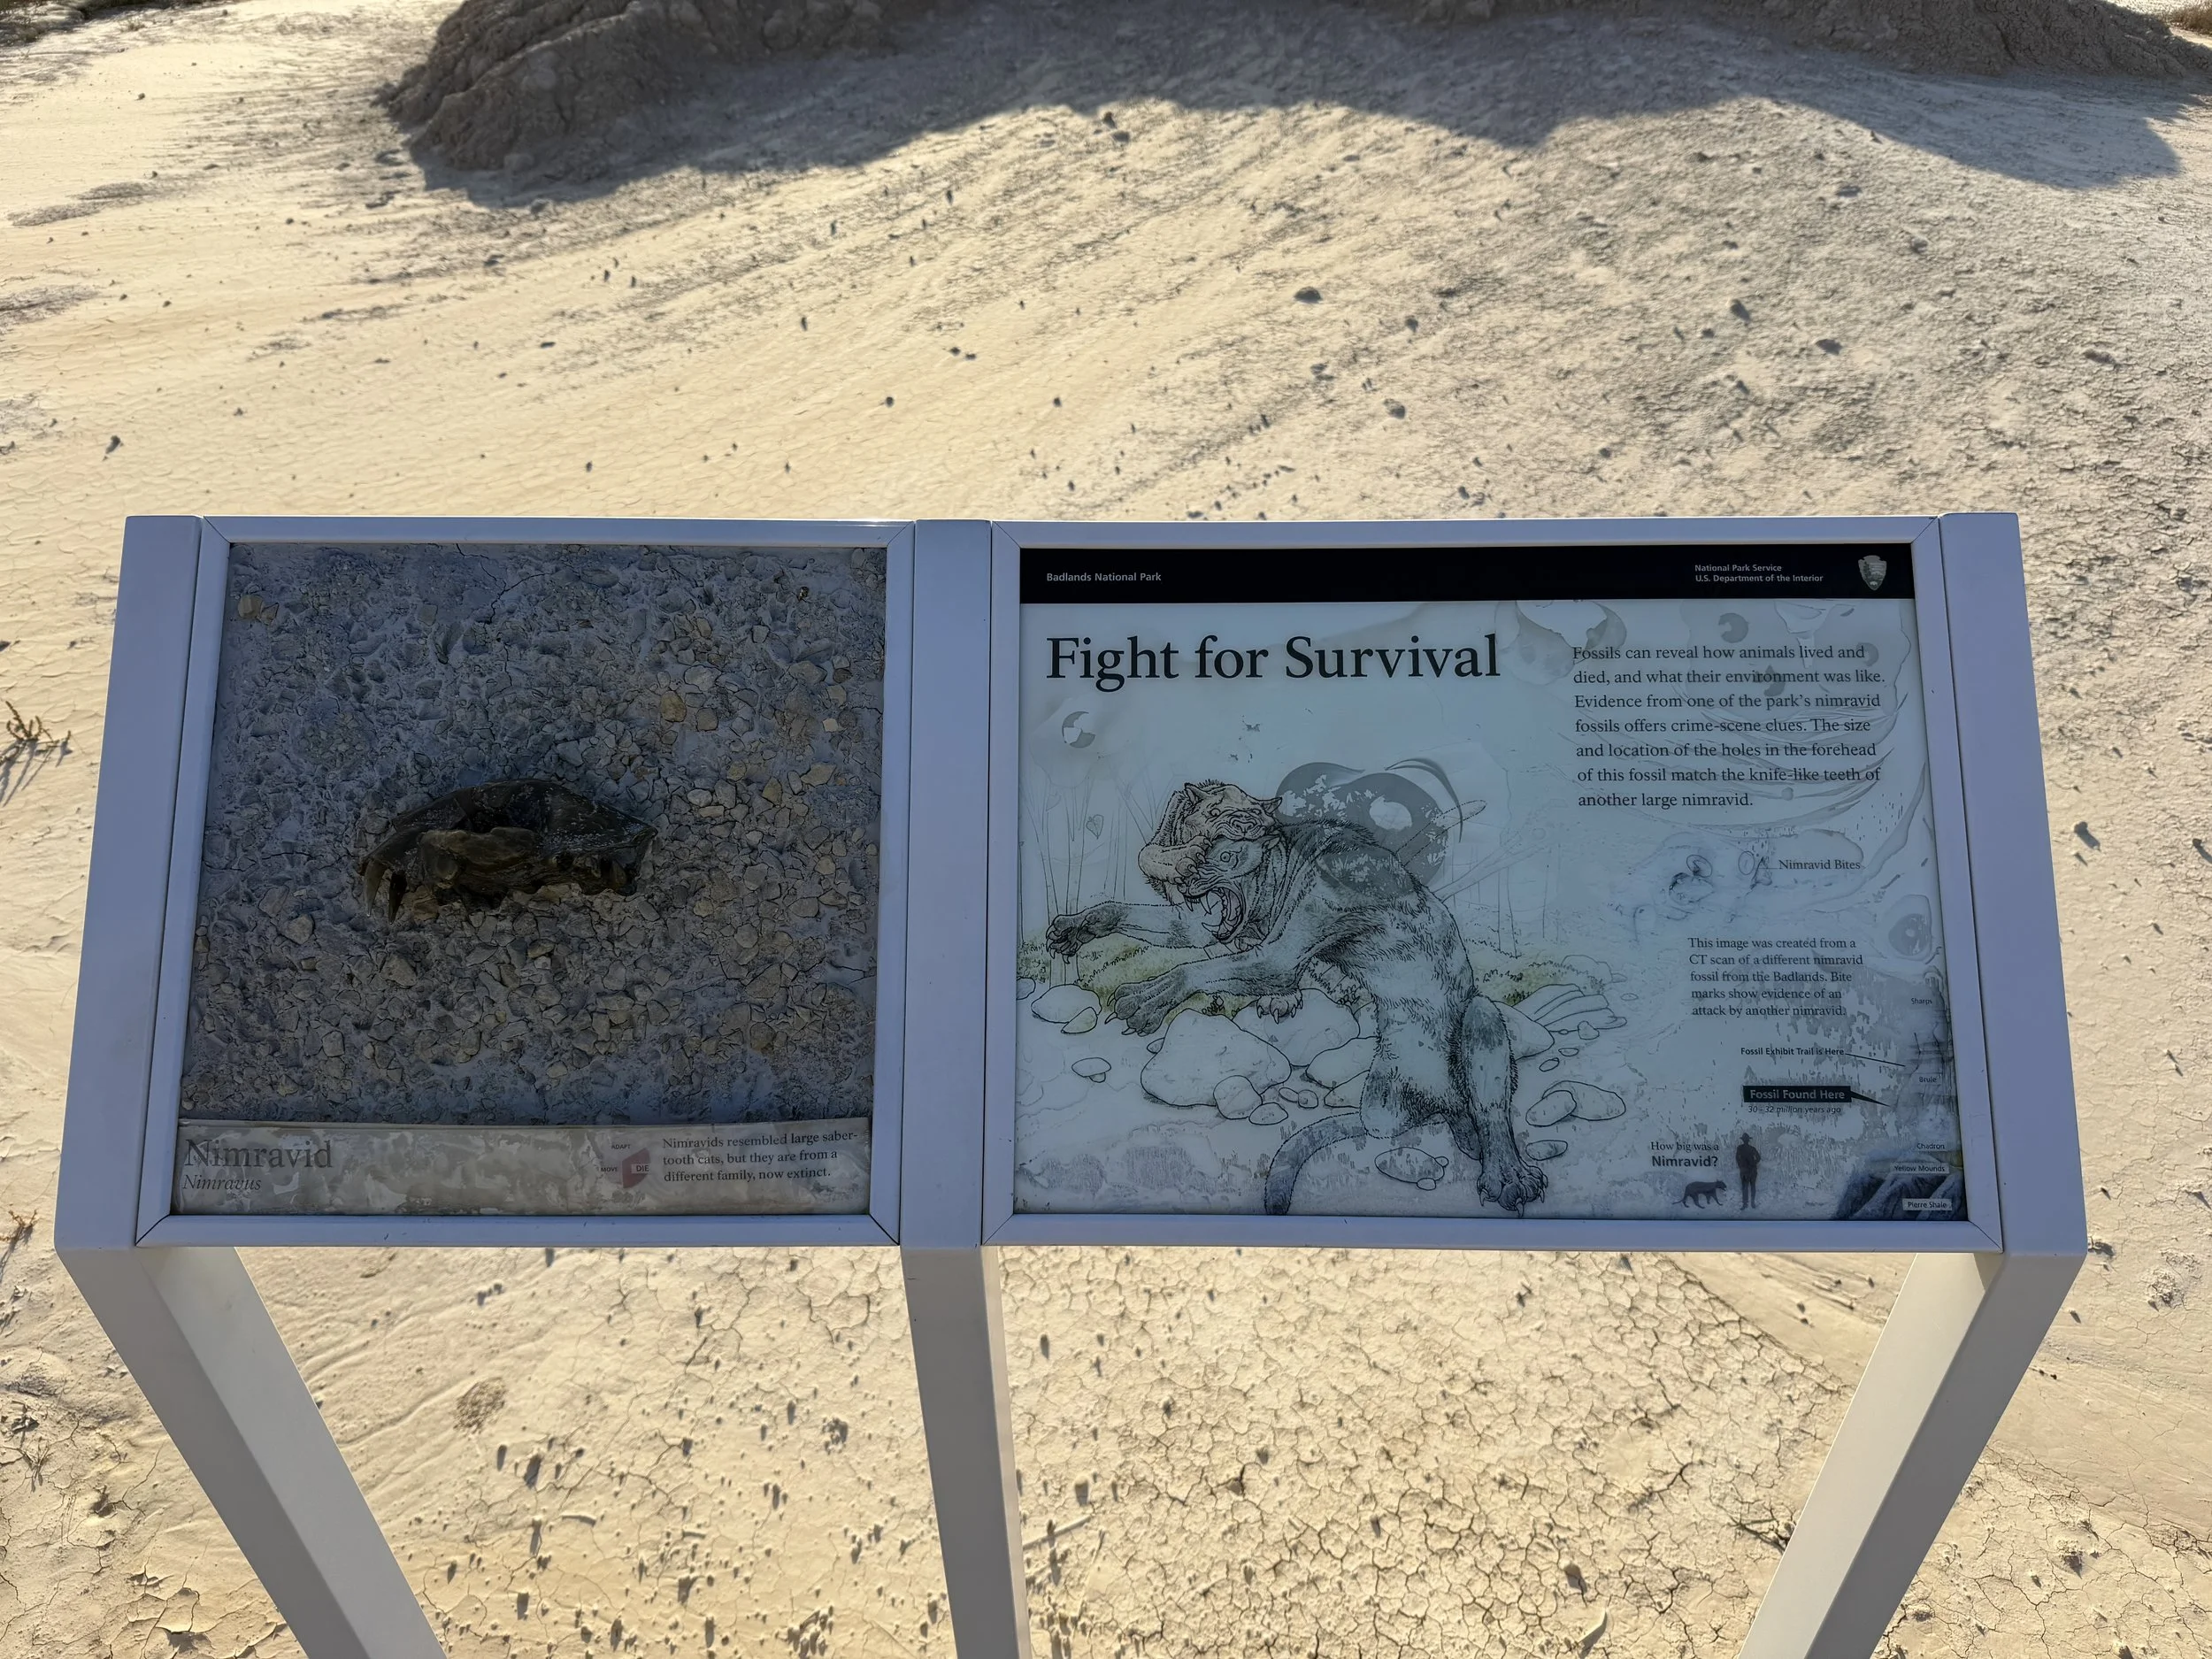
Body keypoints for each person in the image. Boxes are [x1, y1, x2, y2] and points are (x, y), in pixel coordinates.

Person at [1735, 1133, 1761, 1209]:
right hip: (1751, 1170)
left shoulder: (1740, 1148)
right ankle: (1752, 1203)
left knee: (1745, 1187)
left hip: (1746, 1170)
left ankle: (1746, 1204)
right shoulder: (1752, 1148)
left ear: (1743, 1140)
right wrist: (1753, 1163)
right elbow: (1758, 1158)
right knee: (1751, 1187)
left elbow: (1737, 1158)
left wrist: (1741, 1166)